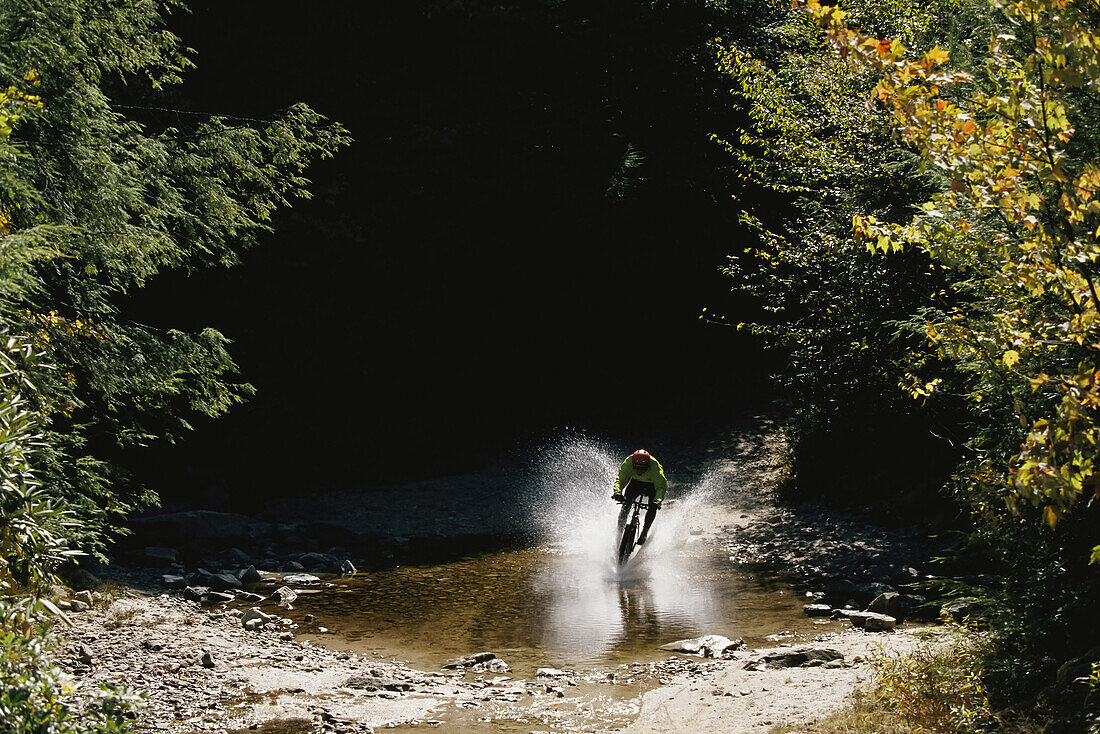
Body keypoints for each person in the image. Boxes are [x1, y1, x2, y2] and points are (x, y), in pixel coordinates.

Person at [611, 449, 667, 545]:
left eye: (643, 468)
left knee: (652, 508)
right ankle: (619, 532)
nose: (639, 471)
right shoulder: (629, 462)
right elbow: (621, 478)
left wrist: (657, 500)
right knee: (625, 506)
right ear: (633, 465)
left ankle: (645, 532)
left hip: (651, 485)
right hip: (635, 483)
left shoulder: (654, 466)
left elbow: (661, 486)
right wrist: (617, 492)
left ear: (647, 466)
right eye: (637, 468)